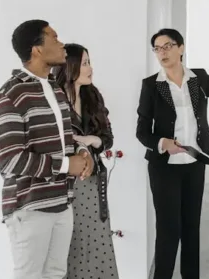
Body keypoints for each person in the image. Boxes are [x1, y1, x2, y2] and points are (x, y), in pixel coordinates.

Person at [136, 28, 209, 279]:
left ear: (181, 48)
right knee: (168, 229)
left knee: (191, 228)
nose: (162, 53)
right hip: (164, 167)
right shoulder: (151, 85)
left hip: (195, 162)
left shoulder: (199, 79)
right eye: (157, 49)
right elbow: (142, 131)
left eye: (167, 46)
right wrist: (162, 142)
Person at [0, 20, 94, 279]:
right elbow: (10, 159)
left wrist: (83, 153)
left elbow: (65, 140)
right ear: (37, 49)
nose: (62, 44)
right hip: (29, 206)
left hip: (62, 202)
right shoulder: (11, 94)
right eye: (54, 38)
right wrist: (66, 165)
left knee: (56, 274)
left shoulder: (55, 89)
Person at [53, 43, 120, 279]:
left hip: (91, 182)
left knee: (96, 241)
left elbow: (108, 138)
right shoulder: (54, 100)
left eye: (89, 62)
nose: (90, 68)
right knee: (68, 246)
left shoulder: (93, 96)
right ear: (69, 66)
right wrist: (80, 145)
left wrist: (93, 140)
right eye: (84, 63)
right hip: (64, 183)